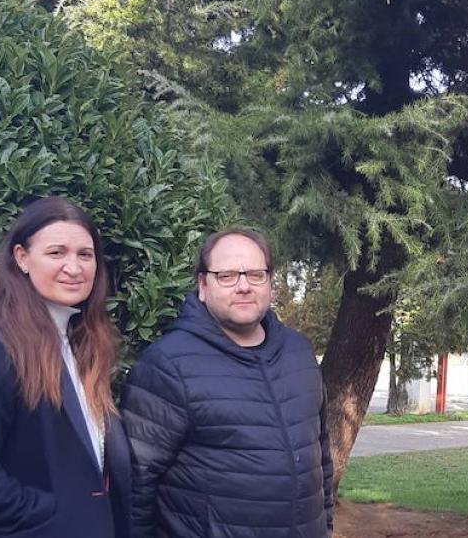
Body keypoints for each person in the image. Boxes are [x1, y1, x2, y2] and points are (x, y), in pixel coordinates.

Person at [121, 229, 333, 538]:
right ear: (203, 285)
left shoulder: (298, 352)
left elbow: (320, 457)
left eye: (255, 274)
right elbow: (137, 485)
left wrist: (325, 528)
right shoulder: (167, 365)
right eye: (227, 276)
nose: (244, 286)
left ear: (270, 281)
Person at [0, 197, 130, 538]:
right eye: (57, 253)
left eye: (85, 255)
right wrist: (48, 518)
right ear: (22, 258)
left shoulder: (80, 341)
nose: (74, 267)